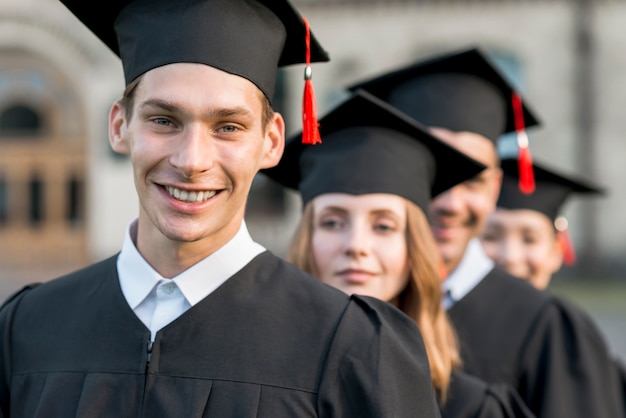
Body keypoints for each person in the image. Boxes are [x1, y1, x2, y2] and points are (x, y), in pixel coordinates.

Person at [0, 1, 441, 416]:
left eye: (228, 127)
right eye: (164, 120)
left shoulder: (350, 346)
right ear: (119, 127)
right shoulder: (25, 330)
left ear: (270, 142)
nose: (192, 160)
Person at [347, 46, 626, 418]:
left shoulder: (548, 328)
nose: (451, 203)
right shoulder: (345, 303)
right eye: (434, 174)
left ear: (495, 188)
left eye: (473, 182)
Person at [264, 89, 535, 418]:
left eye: (384, 226)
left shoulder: (474, 410)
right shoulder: (254, 390)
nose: (356, 245)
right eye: (332, 222)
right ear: (306, 238)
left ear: (414, 249)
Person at [480, 157, 604, 290]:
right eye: (490, 237)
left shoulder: (566, 312)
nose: (510, 257)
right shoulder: (455, 310)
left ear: (556, 252)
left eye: (529, 240)